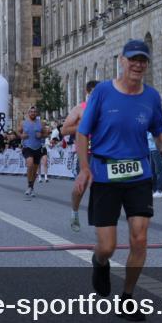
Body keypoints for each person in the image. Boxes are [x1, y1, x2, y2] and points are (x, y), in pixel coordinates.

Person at [74, 39, 162, 319]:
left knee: (139, 239)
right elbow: (82, 133)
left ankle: (127, 298)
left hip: (139, 174)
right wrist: (84, 168)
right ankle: (100, 261)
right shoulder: (103, 92)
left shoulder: (152, 96)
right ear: (122, 60)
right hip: (105, 174)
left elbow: (158, 128)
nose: (138, 65)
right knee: (107, 247)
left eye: (143, 60)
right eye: (133, 59)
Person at [61, 80, 99, 228]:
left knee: (100, 187)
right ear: (88, 93)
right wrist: (83, 125)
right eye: (94, 92)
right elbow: (64, 130)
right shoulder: (80, 109)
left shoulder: (106, 108)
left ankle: (99, 221)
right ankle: (75, 211)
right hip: (85, 152)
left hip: (102, 152)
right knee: (81, 186)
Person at [20, 106, 46, 198]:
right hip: (27, 147)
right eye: (31, 111)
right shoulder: (23, 123)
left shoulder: (41, 123)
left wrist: (41, 135)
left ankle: (31, 187)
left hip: (37, 148)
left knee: (34, 170)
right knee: (30, 164)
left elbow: (45, 134)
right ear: (28, 113)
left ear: (36, 113)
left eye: (34, 112)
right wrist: (22, 136)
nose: (33, 113)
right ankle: (29, 186)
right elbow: (18, 132)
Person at [147, 131, 162, 198]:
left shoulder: (154, 128)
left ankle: (160, 190)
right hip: (151, 150)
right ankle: (154, 190)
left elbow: (156, 137)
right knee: (153, 171)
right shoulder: (148, 129)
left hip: (156, 149)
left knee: (158, 170)